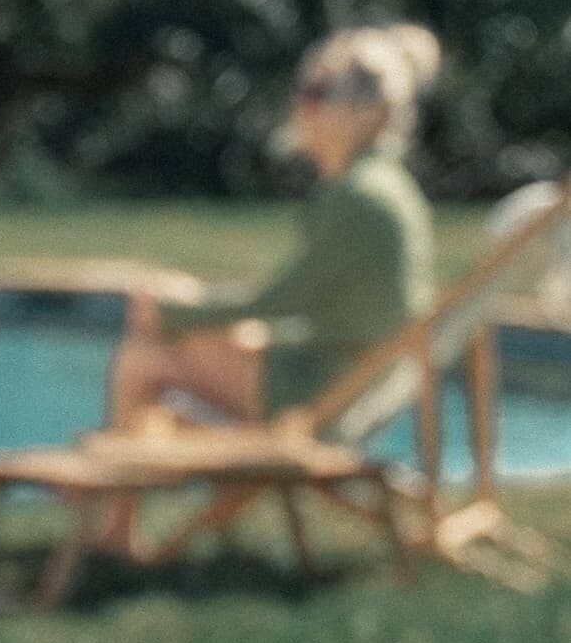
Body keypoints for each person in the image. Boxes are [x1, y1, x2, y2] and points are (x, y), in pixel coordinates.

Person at [109, 24, 441, 430]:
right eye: (303, 91)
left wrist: (170, 312)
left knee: (142, 356)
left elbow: (281, 301)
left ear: (368, 112)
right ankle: (146, 468)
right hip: (353, 381)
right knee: (173, 344)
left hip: (324, 392)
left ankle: (116, 490)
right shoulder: (382, 184)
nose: (302, 106)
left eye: (318, 93)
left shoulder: (361, 196)